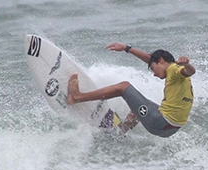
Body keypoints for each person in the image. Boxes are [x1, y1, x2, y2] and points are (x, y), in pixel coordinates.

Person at [67, 43, 195, 137]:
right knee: (138, 103)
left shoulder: (174, 69)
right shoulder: (173, 72)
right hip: (170, 129)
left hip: (160, 122)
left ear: (161, 61)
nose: (154, 74)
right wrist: (126, 48)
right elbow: (150, 59)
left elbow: (189, 71)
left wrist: (187, 64)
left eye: (152, 68)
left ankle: (77, 97)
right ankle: (119, 134)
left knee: (124, 87)